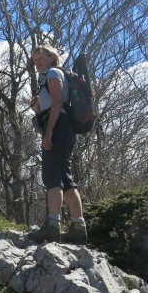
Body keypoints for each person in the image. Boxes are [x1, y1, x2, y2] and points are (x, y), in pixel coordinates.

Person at [28, 44, 87, 244]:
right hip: (65, 127)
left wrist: (49, 131)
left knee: (52, 176)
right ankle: (79, 227)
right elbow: (52, 106)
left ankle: (53, 226)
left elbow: (57, 103)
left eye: (40, 58)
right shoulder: (51, 75)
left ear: (52, 57)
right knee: (65, 177)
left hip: (58, 127)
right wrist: (37, 109)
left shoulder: (53, 73)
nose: (37, 63)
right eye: (35, 60)